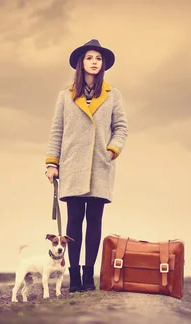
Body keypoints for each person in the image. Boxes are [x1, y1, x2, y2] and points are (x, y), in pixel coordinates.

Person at [44, 39, 129, 293]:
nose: (94, 62)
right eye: (90, 57)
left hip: (101, 167)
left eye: (98, 58)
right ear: (81, 62)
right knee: (73, 222)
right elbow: (57, 130)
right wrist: (51, 163)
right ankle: (74, 279)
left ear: (103, 64)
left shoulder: (114, 95)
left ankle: (88, 277)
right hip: (71, 166)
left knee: (94, 222)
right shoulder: (65, 95)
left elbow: (121, 127)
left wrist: (112, 149)